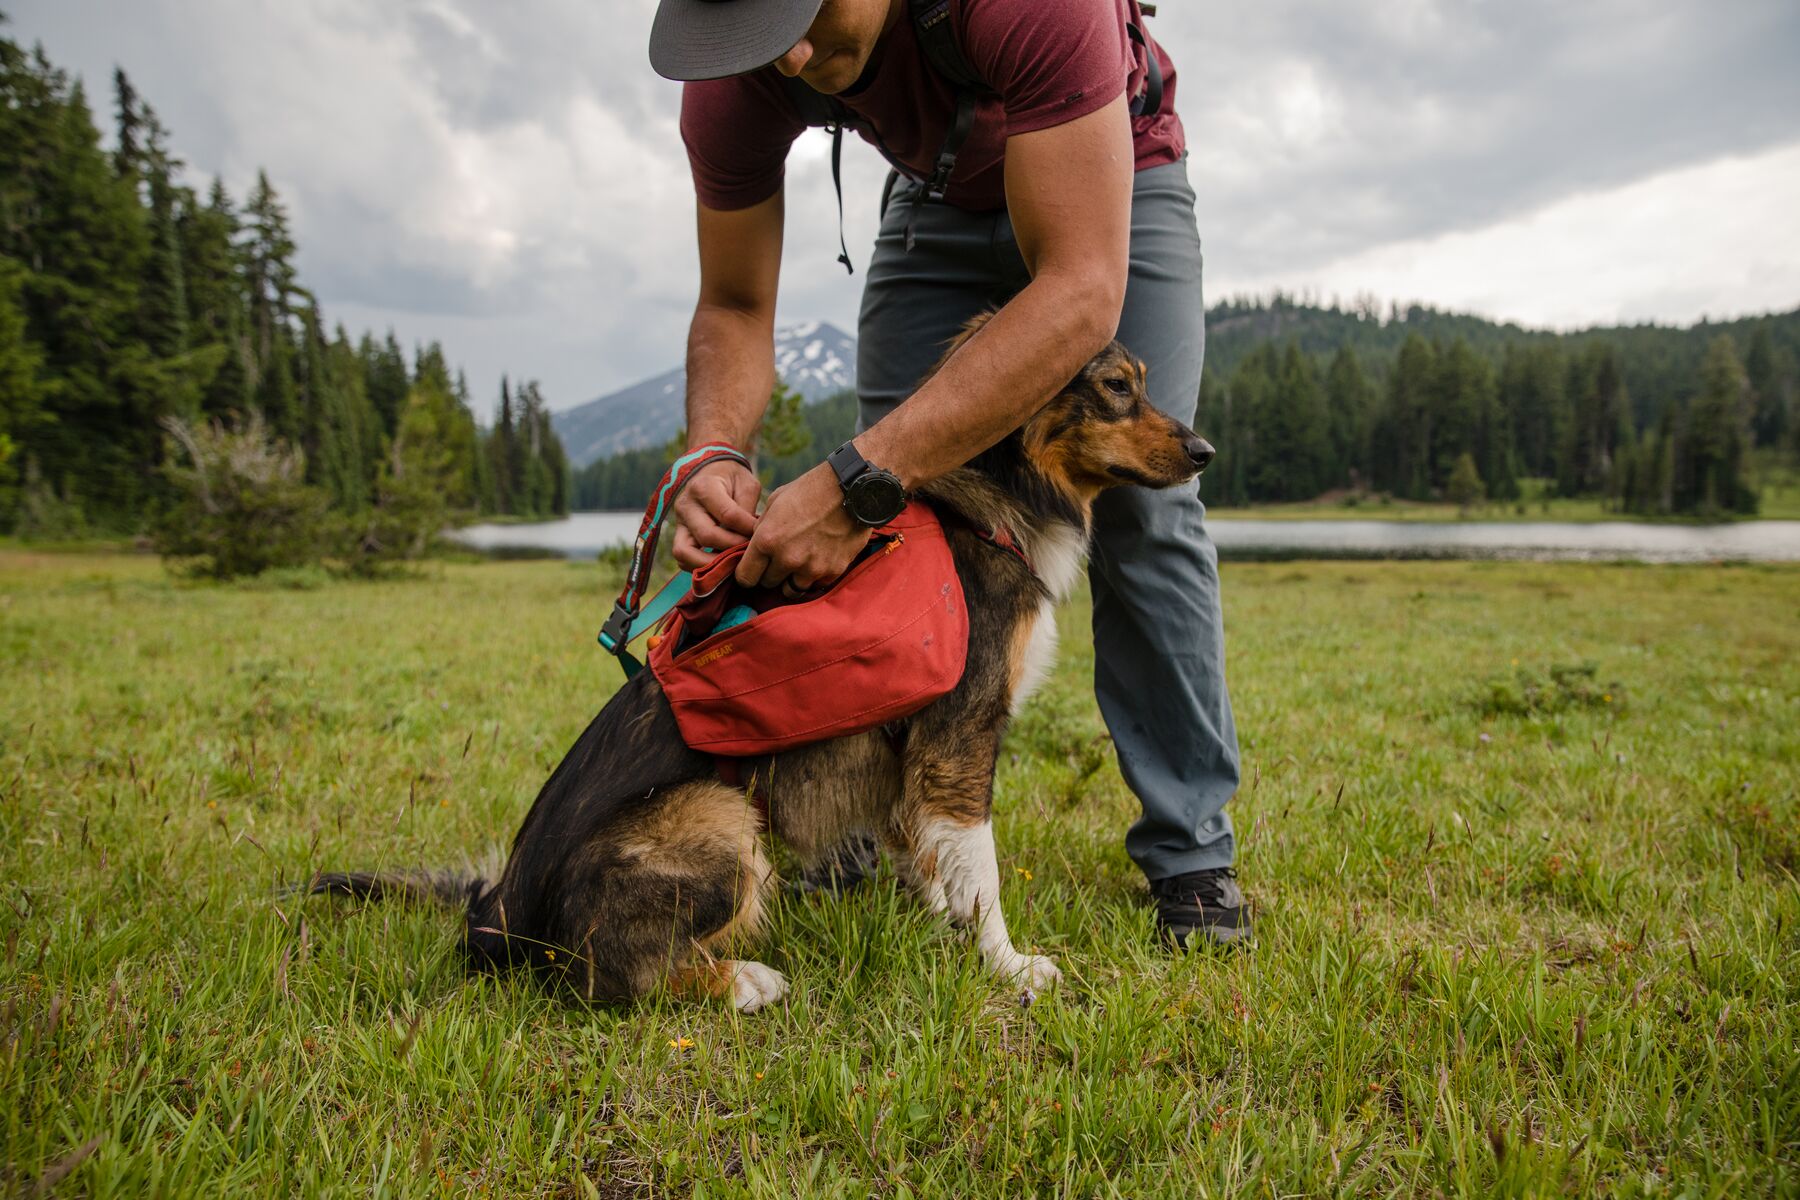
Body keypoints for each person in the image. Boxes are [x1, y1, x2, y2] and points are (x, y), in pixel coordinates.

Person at [648, 0, 1248, 947]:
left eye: (802, 14)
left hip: (1111, 170)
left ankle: (1191, 857)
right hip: (935, 195)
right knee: (892, 535)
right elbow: (730, 301)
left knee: (1146, 511)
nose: (793, 56)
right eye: (762, 34)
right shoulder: (734, 68)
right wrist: (715, 451)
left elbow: (1082, 292)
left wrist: (860, 480)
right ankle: (859, 819)